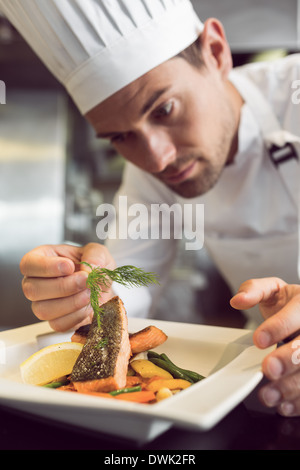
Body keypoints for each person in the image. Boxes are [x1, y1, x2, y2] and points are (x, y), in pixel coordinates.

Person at [1, 0, 300, 417]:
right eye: (121, 137)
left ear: (215, 51)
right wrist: (81, 288)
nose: (157, 159)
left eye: (164, 109)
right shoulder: (153, 173)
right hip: (263, 377)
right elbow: (128, 287)